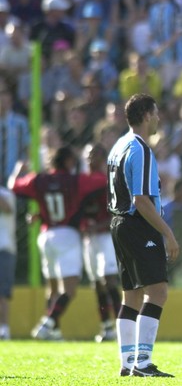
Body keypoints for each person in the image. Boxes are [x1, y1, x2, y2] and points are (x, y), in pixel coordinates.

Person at [107, 93, 180, 377]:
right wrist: (168, 234)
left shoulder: (118, 145)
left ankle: (127, 363)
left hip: (118, 223)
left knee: (132, 296)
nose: (159, 117)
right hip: (137, 224)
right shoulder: (140, 148)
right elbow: (141, 199)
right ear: (147, 115)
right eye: (156, 112)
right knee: (158, 291)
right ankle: (143, 362)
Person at [10, 146, 106, 340]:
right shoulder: (76, 180)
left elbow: (14, 186)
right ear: (69, 161)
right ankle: (48, 323)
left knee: (52, 287)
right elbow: (103, 182)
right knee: (69, 289)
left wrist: (18, 171)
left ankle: (54, 331)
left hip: (46, 236)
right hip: (67, 235)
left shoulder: (39, 179)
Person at [81, 143, 122, 342]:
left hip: (106, 236)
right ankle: (106, 327)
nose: (91, 159)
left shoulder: (107, 184)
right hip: (90, 239)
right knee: (97, 283)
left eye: (95, 155)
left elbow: (116, 213)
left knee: (109, 280)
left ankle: (122, 324)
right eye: (88, 155)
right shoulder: (82, 183)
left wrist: (95, 227)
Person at [0, 185, 15, 340]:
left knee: (2, 292)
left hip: (3, 247)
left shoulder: (6, 194)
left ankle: (4, 329)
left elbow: (7, 208)